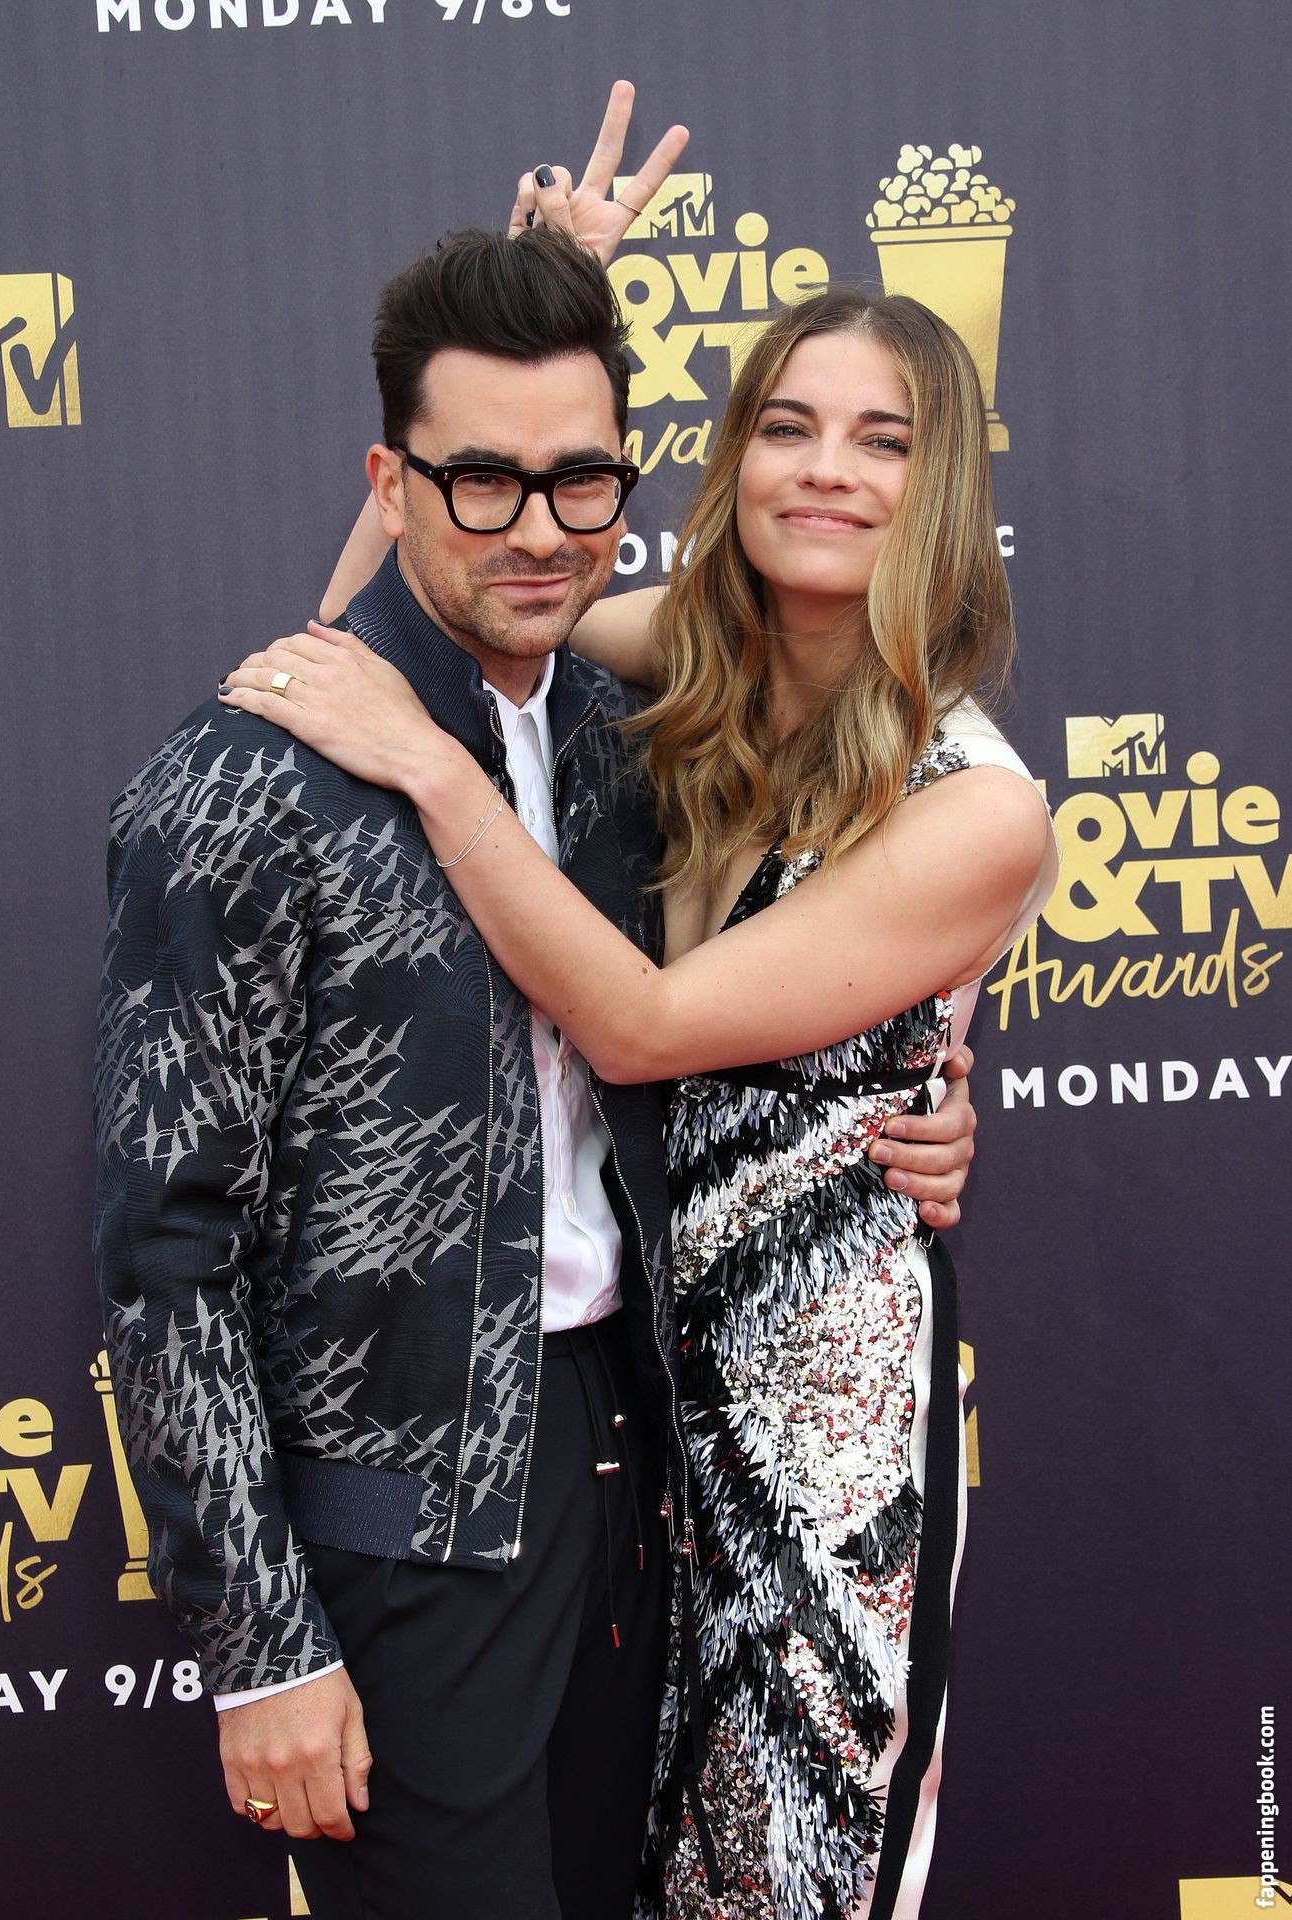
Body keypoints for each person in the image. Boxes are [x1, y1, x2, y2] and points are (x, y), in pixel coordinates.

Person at [94, 86, 977, 1920]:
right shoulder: (246, 785)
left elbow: (724, 1002)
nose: (537, 524)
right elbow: (165, 1253)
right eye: (478, 477)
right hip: (401, 1522)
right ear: (390, 482)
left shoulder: (617, 731)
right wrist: (260, 1644)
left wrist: (908, 1100)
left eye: (582, 479)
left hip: (639, 1478)